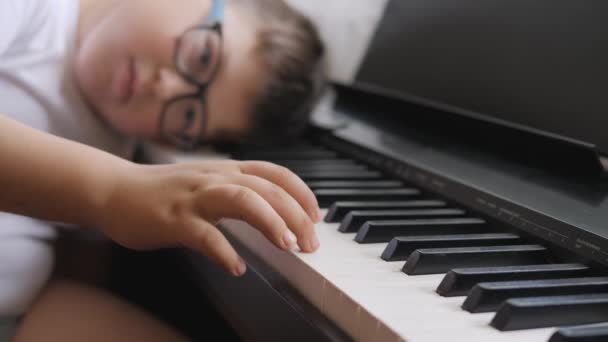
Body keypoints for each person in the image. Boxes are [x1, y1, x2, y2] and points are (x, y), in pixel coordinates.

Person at [0, 0, 326, 340]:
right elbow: (104, 195)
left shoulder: (115, 147)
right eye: (203, 56)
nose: (167, 88)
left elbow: (85, 269)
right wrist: (112, 192)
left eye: (187, 116)